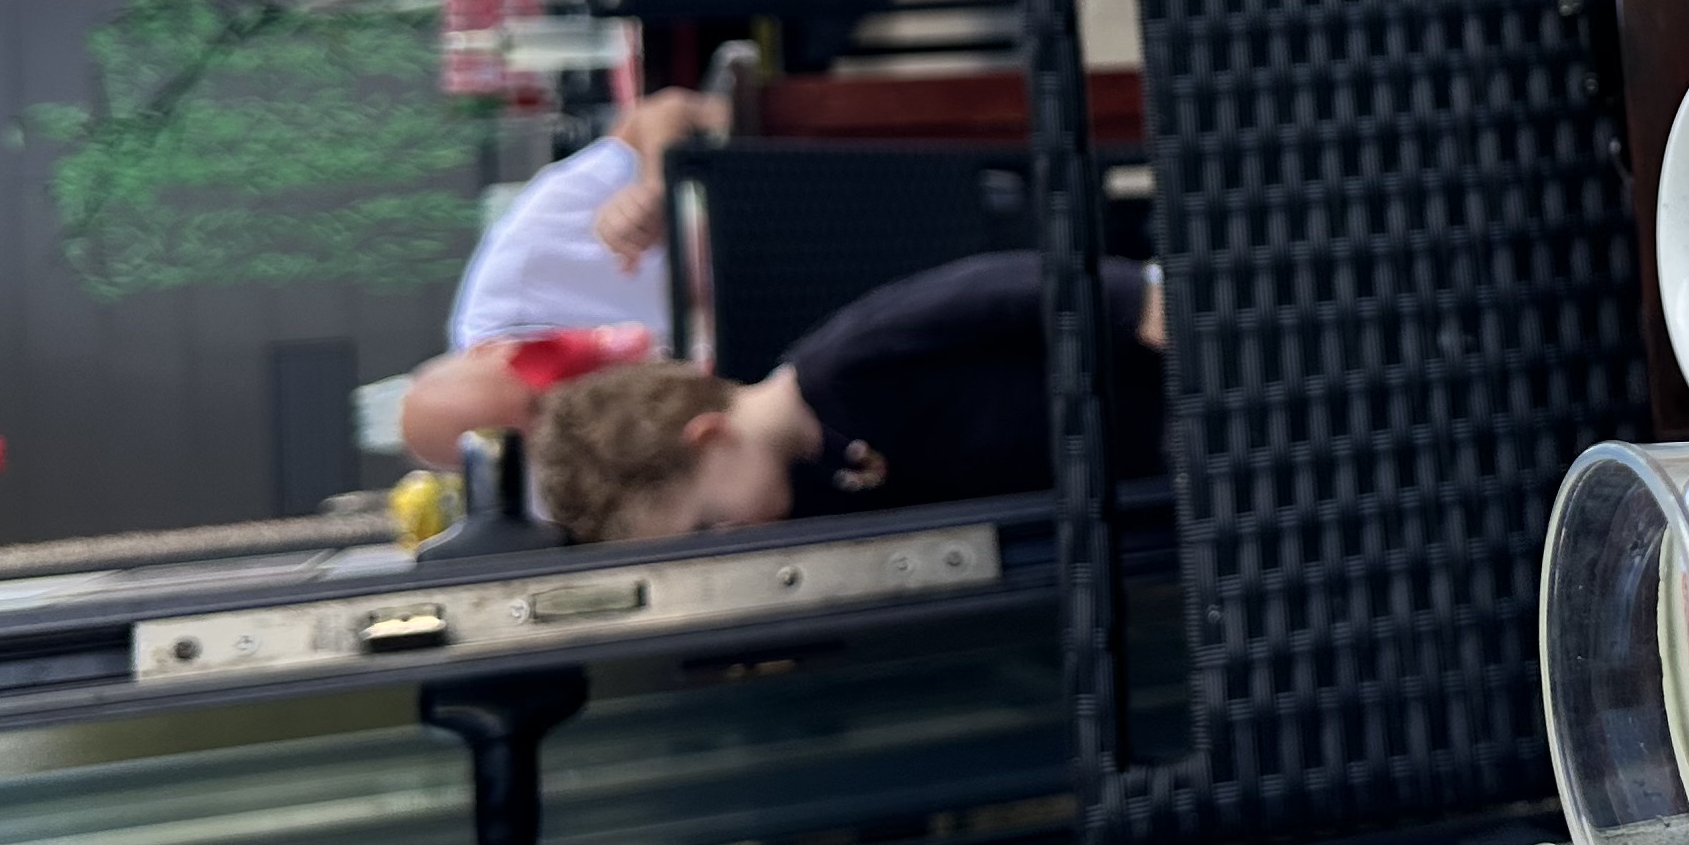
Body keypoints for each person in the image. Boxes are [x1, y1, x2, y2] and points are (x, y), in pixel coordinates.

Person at [529, 254, 1169, 543]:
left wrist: (1136, 305)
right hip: (1145, 476)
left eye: (707, 524)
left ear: (709, 436)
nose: (727, 538)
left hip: (1160, 387)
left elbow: (1002, 288)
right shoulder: (813, 486)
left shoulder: (846, 362)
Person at [394, 87, 726, 465]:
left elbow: (666, 111)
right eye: (539, 444)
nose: (560, 423)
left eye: (537, 401)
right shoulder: (578, 474)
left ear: (492, 348)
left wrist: (656, 187)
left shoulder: (527, 260)